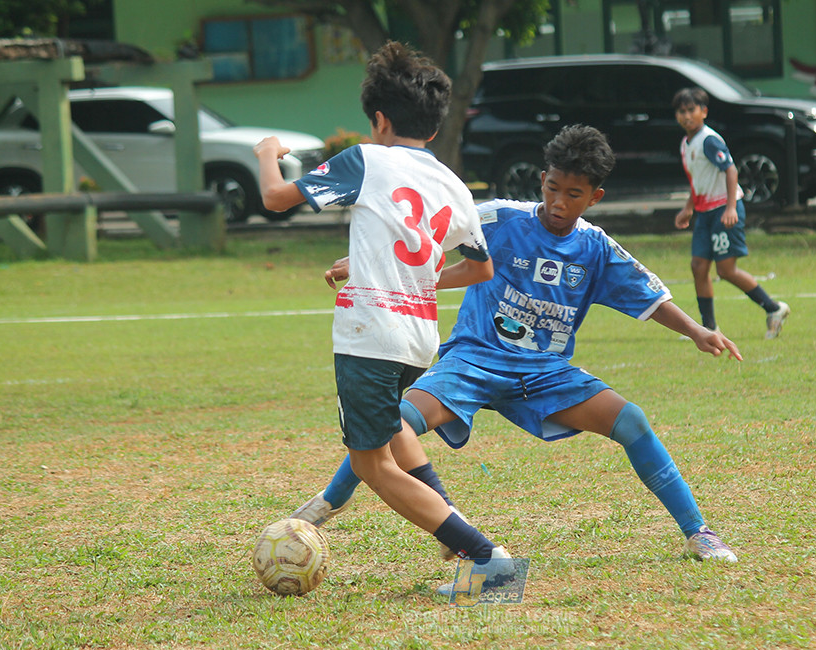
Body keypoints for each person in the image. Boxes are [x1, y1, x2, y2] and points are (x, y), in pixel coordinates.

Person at [291, 124, 743, 576]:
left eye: (574, 194)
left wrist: (696, 331)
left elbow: (649, 296)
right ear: (542, 179)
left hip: (543, 372)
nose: (559, 203)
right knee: (395, 421)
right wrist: (369, 264)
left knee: (631, 420)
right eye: (552, 188)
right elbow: (423, 233)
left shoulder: (596, 247)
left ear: (595, 197)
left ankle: (698, 531)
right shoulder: (501, 217)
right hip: (472, 359)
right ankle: (331, 500)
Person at [253, 41, 513, 577]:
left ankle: (487, 557)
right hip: (419, 338)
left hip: (370, 333)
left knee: (373, 465)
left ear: (378, 119)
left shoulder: (367, 159)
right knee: (394, 427)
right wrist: (395, 273)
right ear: (434, 128)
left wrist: (265, 154)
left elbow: (276, 198)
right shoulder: (455, 185)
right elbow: (481, 270)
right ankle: (454, 533)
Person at [672, 87, 791, 339]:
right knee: (698, 266)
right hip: (704, 212)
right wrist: (688, 208)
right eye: (681, 112)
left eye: (691, 110)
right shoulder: (686, 143)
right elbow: (699, 180)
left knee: (726, 270)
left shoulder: (709, 140)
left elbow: (730, 170)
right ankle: (708, 327)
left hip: (723, 210)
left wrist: (729, 207)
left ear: (704, 111)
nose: (686, 116)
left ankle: (774, 308)